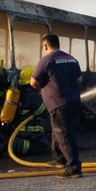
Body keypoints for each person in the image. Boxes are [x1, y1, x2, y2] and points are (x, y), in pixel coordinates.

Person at [30, 33, 83, 178]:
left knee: (64, 135)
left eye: (43, 47)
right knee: (57, 130)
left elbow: (33, 83)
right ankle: (59, 159)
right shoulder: (71, 59)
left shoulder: (46, 60)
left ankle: (74, 168)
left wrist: (45, 87)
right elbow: (79, 79)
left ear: (46, 45)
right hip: (73, 101)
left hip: (58, 102)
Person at [11, 66, 51, 155]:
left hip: (17, 129)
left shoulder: (19, 92)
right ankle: (16, 145)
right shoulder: (32, 95)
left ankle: (16, 143)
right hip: (29, 130)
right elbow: (44, 113)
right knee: (42, 145)